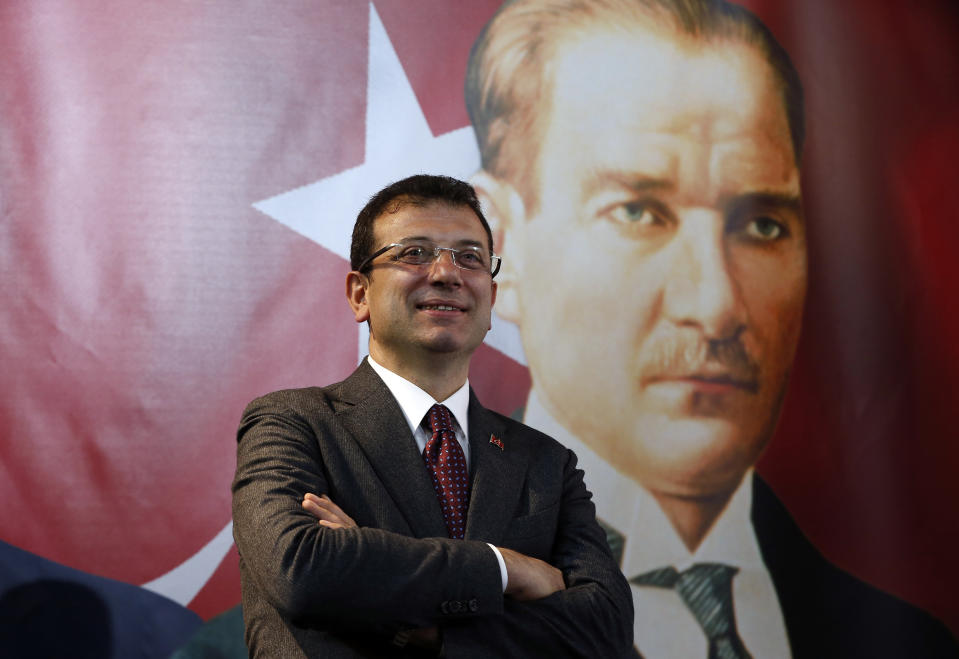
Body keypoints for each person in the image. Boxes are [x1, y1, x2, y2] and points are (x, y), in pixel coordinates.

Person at [464, 0, 959, 657]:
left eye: (761, 224)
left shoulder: (910, 643)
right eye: (637, 212)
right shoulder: (407, 616)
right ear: (498, 246)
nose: (717, 303)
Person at [231, 174, 634, 658]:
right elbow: (302, 571)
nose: (447, 273)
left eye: (470, 257)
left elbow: (606, 627)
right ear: (360, 294)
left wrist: (430, 631)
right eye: (414, 253)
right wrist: (505, 569)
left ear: (491, 298)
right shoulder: (291, 424)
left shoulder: (546, 462)